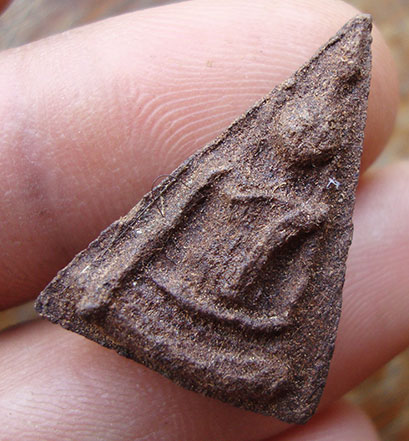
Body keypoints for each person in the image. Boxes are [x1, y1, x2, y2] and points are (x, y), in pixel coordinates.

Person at [0, 0, 407, 440]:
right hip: (164, 292)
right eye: (300, 127)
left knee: (271, 373)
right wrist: (113, 276)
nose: (306, 140)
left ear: (327, 149)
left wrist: (275, 299)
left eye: (319, 137)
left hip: (243, 325)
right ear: (280, 126)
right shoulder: (221, 174)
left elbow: (297, 289)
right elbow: (159, 227)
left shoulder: (309, 212)